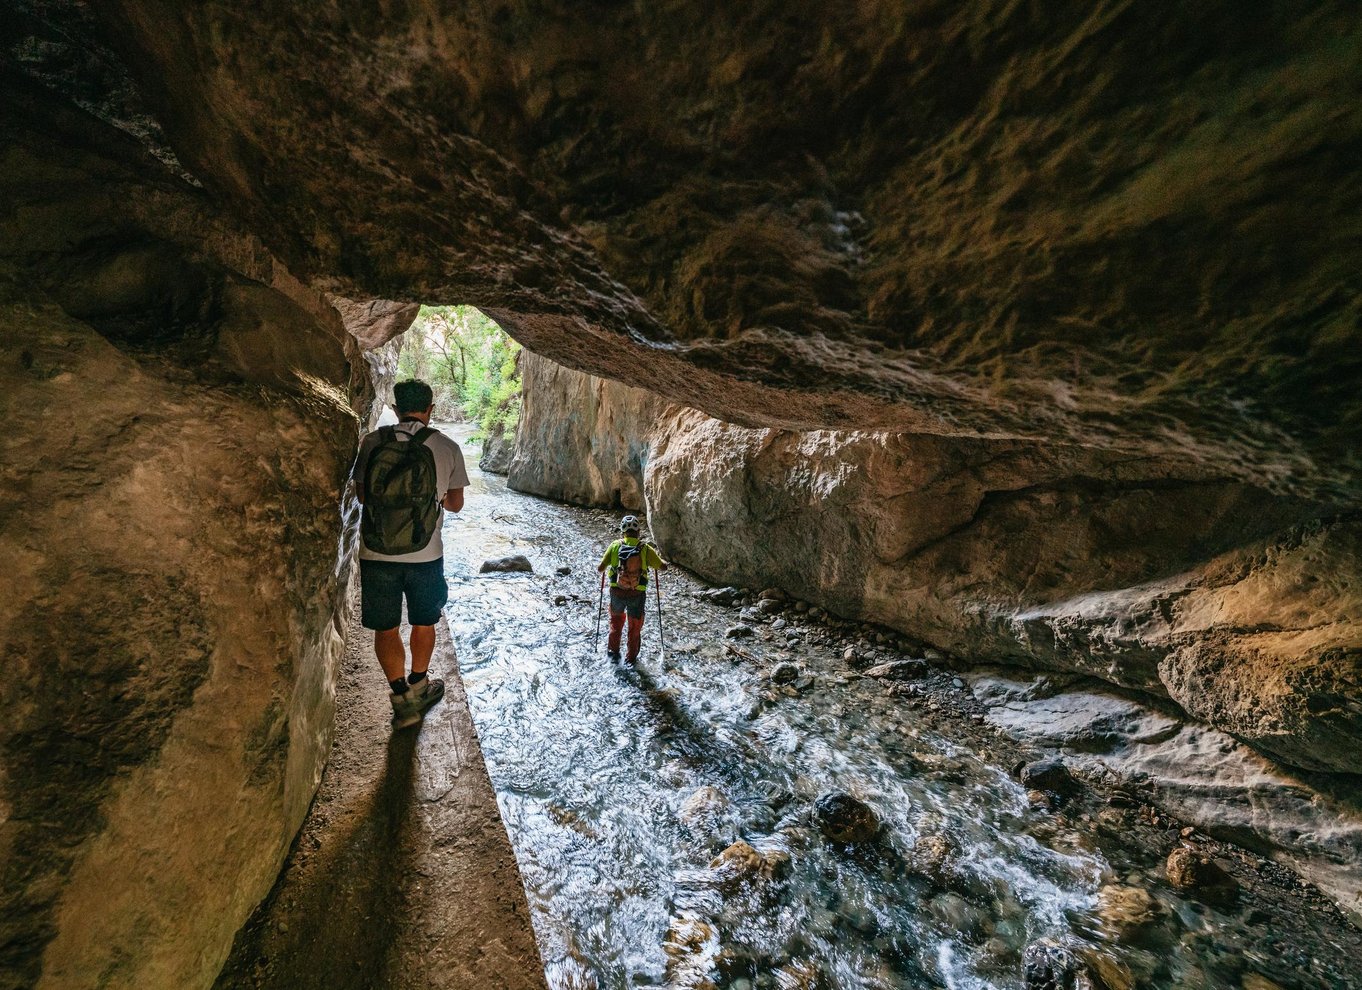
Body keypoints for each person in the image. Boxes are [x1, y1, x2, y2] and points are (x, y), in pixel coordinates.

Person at [351, 379, 469, 729]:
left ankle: (400, 696)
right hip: (425, 554)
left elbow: (361, 497)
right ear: (430, 409)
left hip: (376, 553)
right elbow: (456, 504)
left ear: (395, 407)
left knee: (385, 627)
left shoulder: (372, 443)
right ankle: (420, 683)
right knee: (424, 620)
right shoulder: (446, 446)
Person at [597, 514, 667, 664]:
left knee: (616, 623)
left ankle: (613, 654)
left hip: (616, 592)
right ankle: (631, 660)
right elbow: (663, 567)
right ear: (638, 531)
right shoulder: (645, 549)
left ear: (622, 531)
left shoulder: (615, 545)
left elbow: (600, 568)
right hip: (637, 593)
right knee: (634, 628)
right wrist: (661, 561)